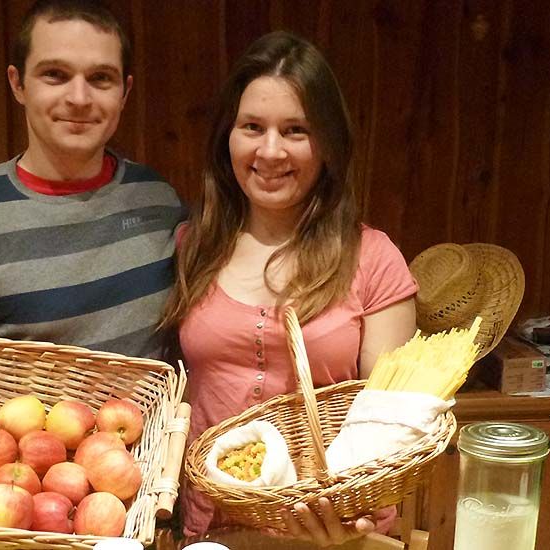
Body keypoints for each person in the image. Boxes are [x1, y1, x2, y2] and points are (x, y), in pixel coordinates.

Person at [161, 31, 418, 545]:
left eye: (296, 130)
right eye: (252, 127)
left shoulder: (372, 258)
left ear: (327, 144)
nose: (271, 151)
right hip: (213, 532)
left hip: (329, 532)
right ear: (227, 137)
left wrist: (354, 511)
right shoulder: (193, 246)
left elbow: (395, 420)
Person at [0, 0, 184, 358]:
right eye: (55, 74)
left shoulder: (159, 200)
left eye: (101, 78)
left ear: (125, 92)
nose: (79, 98)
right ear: (17, 84)